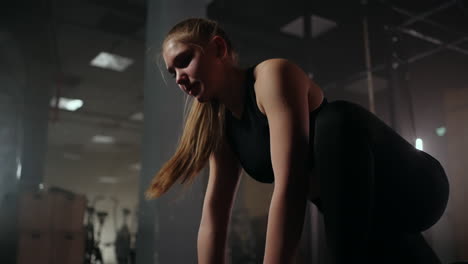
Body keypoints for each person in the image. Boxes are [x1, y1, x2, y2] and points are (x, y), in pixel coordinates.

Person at [145, 17, 449, 264]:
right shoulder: (220, 125)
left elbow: (290, 186)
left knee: (335, 119)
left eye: (184, 61)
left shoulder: (271, 77)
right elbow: (214, 218)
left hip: (414, 187)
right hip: (372, 216)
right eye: (172, 73)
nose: (179, 78)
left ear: (219, 49)